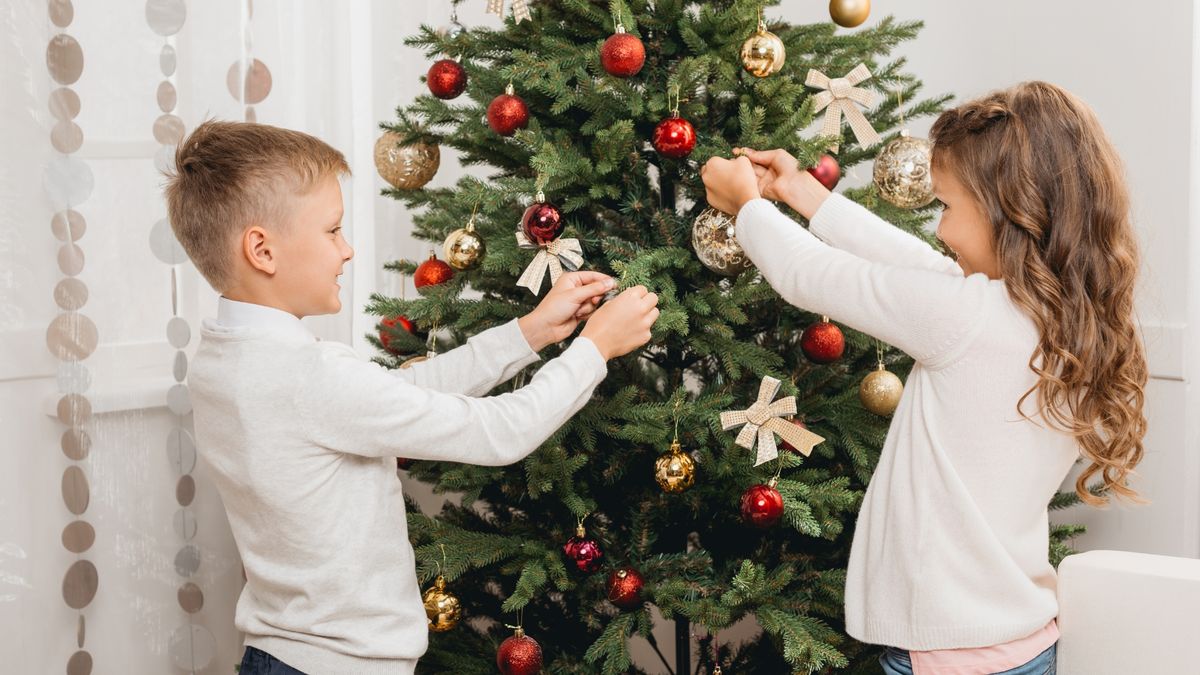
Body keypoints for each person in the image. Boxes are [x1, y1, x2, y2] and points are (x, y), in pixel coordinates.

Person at [163, 120, 660, 674]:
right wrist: (595, 349)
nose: (347, 250)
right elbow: (501, 431)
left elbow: (399, 394)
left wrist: (532, 332)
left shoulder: (224, 360)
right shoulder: (309, 375)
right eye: (331, 231)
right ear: (262, 249)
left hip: (279, 656)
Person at [700, 81, 1147, 674]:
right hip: (1019, 641)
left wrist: (749, 207)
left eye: (948, 207)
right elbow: (918, 266)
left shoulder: (967, 317)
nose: (939, 228)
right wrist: (805, 194)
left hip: (949, 657)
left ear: (1012, 215)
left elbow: (806, 272)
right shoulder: (1057, 316)